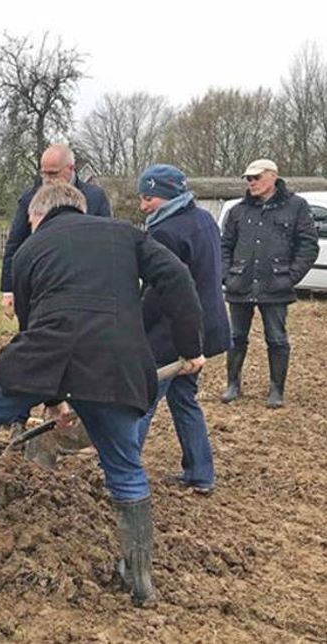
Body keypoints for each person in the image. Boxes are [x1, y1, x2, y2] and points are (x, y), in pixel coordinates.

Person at [0, 182, 205, 608]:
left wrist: (50, 393)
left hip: (46, 356)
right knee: (124, 467)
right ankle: (138, 576)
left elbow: (33, 327)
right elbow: (176, 277)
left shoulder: (29, 251)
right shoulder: (126, 233)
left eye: (29, 220)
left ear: (39, 214)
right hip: (116, 365)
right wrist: (190, 347)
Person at [136, 164, 231, 495]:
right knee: (183, 398)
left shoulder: (165, 233)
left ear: (167, 195)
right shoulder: (204, 219)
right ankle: (200, 474)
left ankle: (122, 471)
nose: (142, 205)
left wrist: (136, 323)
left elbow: (162, 292)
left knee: (143, 400)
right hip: (207, 327)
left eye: (148, 198)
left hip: (173, 333)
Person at [219, 159, 318, 408]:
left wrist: (290, 277)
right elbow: (224, 246)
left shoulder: (296, 206)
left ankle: (276, 389)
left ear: (273, 176)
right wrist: (226, 276)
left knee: (276, 338)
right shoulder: (238, 211)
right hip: (240, 284)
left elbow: (308, 245)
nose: (251, 182)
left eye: (256, 177)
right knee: (235, 336)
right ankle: (233, 383)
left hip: (276, 286)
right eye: (248, 179)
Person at [0, 143, 112, 319]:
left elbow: (107, 242)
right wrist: (8, 290)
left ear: (70, 169)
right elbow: (15, 243)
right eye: (43, 173)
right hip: (42, 283)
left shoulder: (95, 198)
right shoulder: (30, 199)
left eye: (53, 173)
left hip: (86, 284)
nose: (47, 179)